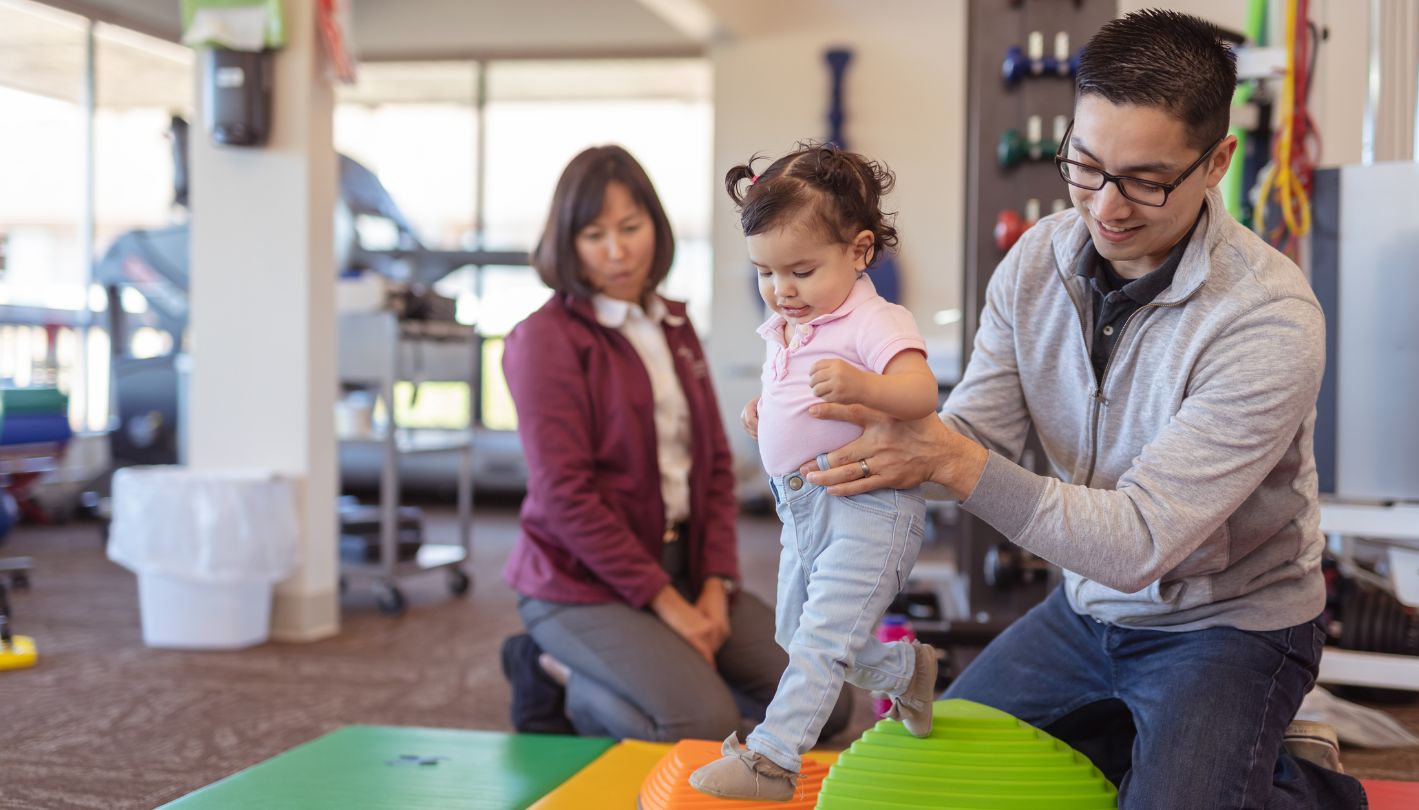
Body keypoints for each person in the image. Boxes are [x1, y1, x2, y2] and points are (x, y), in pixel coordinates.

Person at [798, 11, 1368, 809]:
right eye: (1086, 163)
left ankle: (1302, 784)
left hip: (1230, 625)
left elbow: (1139, 542)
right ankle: (1140, 743)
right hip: (1083, 611)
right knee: (932, 784)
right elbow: (974, 432)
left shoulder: (1269, 318)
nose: (1105, 206)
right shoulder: (1036, 260)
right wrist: (852, 437)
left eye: (1146, 179)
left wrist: (949, 462)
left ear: (1218, 163)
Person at [501, 144, 852, 743]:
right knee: (701, 725)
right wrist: (669, 607)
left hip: (683, 565)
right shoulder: (543, 340)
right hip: (580, 584)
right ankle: (553, 667)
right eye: (594, 234)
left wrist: (714, 587)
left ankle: (662, 671)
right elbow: (566, 497)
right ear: (568, 242)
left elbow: (714, 465)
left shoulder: (672, 322)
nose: (616, 250)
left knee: (830, 707)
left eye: (630, 228)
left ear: (654, 229)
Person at [689, 144, 939, 802]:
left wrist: (868, 385)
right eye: (766, 273)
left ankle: (771, 760)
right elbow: (799, 397)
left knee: (822, 641)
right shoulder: (790, 324)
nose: (782, 290)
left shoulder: (876, 320)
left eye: (800, 270)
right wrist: (765, 413)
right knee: (793, 633)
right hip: (801, 510)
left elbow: (920, 394)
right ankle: (906, 670)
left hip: (869, 508)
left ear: (859, 252)